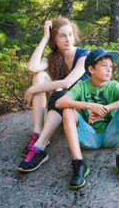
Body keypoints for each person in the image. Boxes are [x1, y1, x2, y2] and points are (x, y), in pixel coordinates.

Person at [55, 48, 119, 189]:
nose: (109, 69)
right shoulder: (82, 86)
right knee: (68, 110)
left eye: (111, 66)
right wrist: (89, 106)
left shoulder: (113, 85)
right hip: (89, 136)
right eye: (104, 65)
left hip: (110, 136)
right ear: (91, 69)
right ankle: (79, 163)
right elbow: (59, 103)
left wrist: (106, 108)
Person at [17, 18, 90, 172]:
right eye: (62, 36)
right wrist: (44, 38)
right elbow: (32, 67)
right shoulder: (53, 57)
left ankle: (41, 147)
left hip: (79, 109)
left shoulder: (84, 55)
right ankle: (37, 133)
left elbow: (66, 83)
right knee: (39, 76)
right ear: (54, 39)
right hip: (61, 105)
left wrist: (32, 90)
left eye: (70, 34)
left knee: (59, 91)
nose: (68, 39)